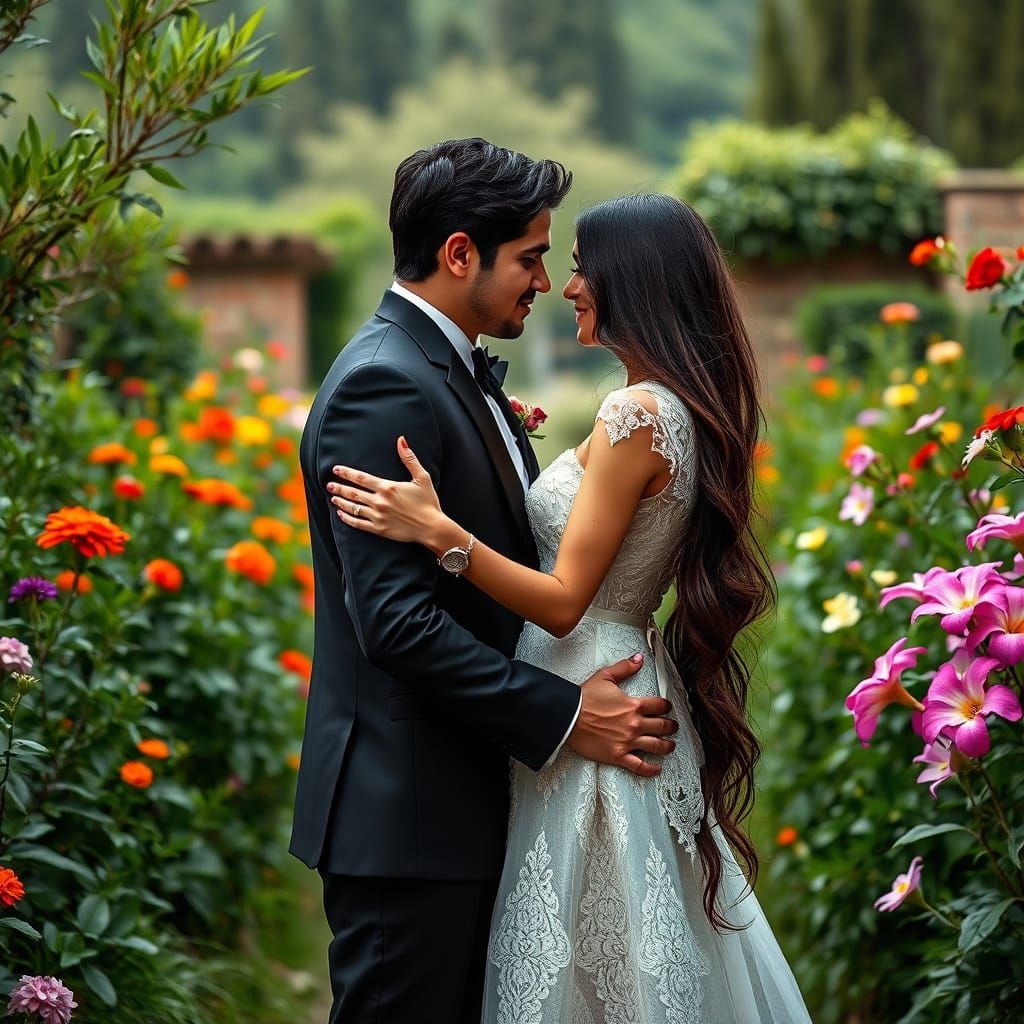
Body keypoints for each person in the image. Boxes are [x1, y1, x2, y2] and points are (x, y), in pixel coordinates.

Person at [327, 193, 814, 1022]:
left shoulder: (636, 412)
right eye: (549, 262)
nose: (567, 286)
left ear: (637, 281)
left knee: (594, 963)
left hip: (590, 682)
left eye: (584, 267)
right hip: (610, 675)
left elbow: (560, 603)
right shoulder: (674, 407)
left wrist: (442, 534)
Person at [289, 141, 680, 1024]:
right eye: (531, 257)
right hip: (412, 820)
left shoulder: (444, 368)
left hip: (469, 801)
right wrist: (567, 715)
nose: (546, 280)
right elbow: (397, 624)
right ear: (461, 253)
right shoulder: (384, 386)